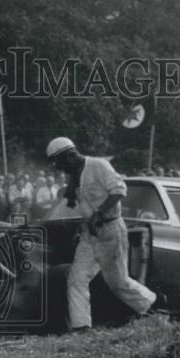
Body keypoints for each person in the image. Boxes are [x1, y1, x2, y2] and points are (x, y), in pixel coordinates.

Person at [47, 137, 157, 331]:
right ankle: (81, 327)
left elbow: (119, 190)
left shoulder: (99, 165)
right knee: (77, 278)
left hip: (110, 230)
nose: (61, 169)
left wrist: (99, 213)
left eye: (61, 163)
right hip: (89, 234)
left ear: (70, 156)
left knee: (117, 282)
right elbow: (76, 204)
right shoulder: (75, 175)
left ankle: (150, 305)